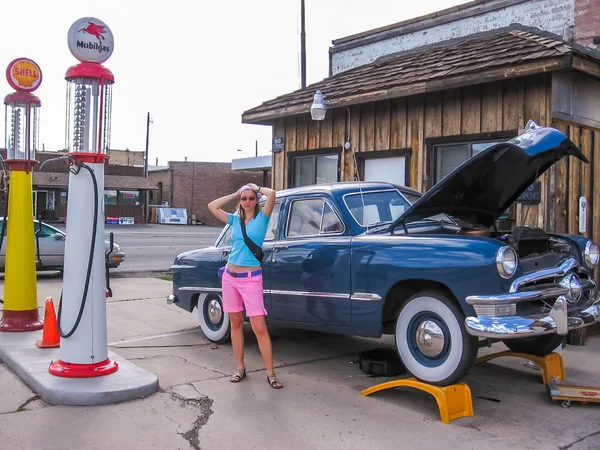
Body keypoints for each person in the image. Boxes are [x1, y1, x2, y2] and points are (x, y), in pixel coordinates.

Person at [207, 182, 283, 389]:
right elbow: (212, 206)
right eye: (244, 198)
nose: (247, 201)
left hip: (251, 278)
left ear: (256, 200)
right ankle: (240, 367)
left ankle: (270, 373)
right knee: (236, 323)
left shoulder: (262, 218)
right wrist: (236, 192)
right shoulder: (234, 220)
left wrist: (255, 188)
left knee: (259, 327)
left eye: (251, 198)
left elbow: (273, 194)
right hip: (230, 277)